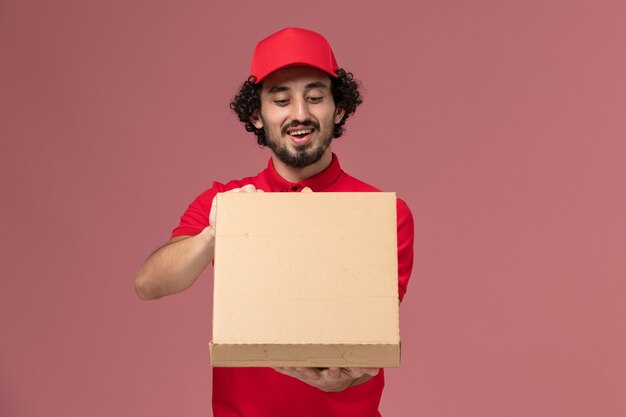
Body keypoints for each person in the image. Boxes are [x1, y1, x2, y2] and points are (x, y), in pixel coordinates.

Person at [135, 27, 414, 417]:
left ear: (340, 108)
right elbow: (148, 284)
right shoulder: (227, 202)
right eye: (281, 100)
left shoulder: (381, 212)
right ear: (256, 115)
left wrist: (345, 378)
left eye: (315, 97)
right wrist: (216, 233)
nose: (300, 114)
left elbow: (371, 335)